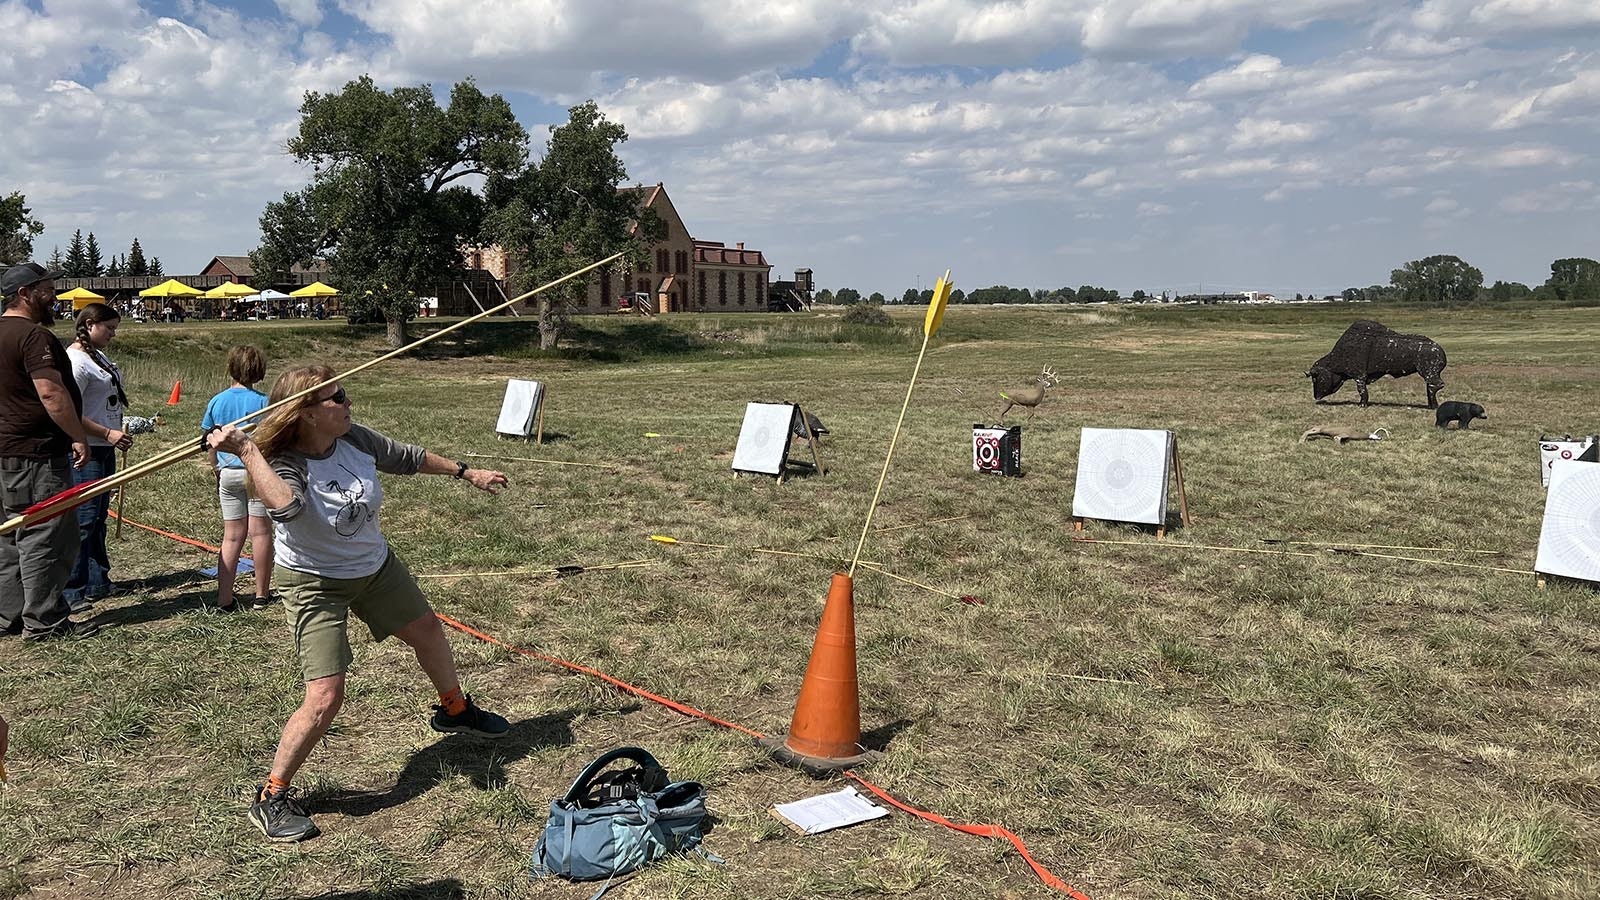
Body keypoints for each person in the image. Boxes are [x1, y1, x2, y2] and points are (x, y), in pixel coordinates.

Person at [206, 366, 511, 842]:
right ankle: (272, 794)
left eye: (344, 393)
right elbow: (285, 508)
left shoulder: (356, 439)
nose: (347, 403)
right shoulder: (283, 462)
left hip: (374, 567)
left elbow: (406, 457)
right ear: (305, 413)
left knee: (428, 631)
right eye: (335, 398)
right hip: (314, 582)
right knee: (326, 695)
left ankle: (454, 710)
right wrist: (246, 450)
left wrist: (466, 472)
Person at [0, 262, 97, 640]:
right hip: (36, 454)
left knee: (10, 534)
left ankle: (7, 616)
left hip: (6, 451)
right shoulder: (32, 337)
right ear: (25, 294)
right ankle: (45, 620)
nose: (53, 295)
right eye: (46, 288)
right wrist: (78, 435)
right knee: (47, 533)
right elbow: (51, 393)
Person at [63, 302, 135, 612]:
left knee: (99, 518)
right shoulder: (75, 362)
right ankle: (72, 589)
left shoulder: (98, 356)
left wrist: (116, 429)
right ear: (90, 324)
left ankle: (97, 581)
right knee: (84, 519)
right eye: (110, 328)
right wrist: (105, 433)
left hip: (105, 446)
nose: (113, 335)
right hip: (87, 449)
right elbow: (69, 411)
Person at [201, 346, 274, 611]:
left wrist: (217, 470)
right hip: (255, 473)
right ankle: (261, 595)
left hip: (229, 473)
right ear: (258, 370)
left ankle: (224, 599)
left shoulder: (217, 401)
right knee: (261, 532)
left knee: (231, 537)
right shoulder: (265, 402)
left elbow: (211, 442)